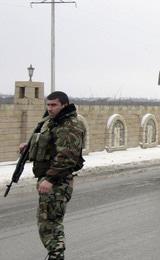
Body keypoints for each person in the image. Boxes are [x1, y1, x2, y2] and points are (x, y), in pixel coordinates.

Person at [20, 91, 86, 260]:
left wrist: (49, 179)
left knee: (50, 223)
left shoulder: (70, 125)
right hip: (49, 178)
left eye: (54, 105)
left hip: (58, 181)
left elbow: (67, 157)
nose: (49, 108)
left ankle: (56, 256)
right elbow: (49, 147)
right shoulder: (53, 122)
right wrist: (29, 148)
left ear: (64, 105)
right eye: (48, 105)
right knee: (47, 222)